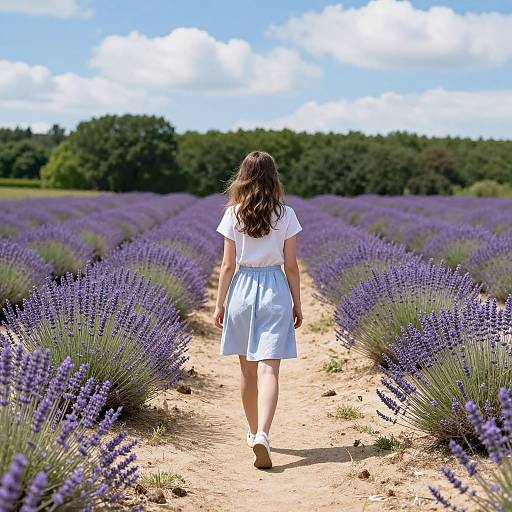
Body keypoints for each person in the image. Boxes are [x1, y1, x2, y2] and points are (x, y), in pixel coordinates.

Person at [214, 150, 303, 469]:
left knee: (247, 370)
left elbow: (226, 266)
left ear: (242, 177)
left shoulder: (233, 214)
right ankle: (264, 433)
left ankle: (253, 433)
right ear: (273, 178)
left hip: (242, 289)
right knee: (269, 370)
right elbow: (291, 266)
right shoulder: (287, 214)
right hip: (275, 289)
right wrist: (297, 303)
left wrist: (220, 303)